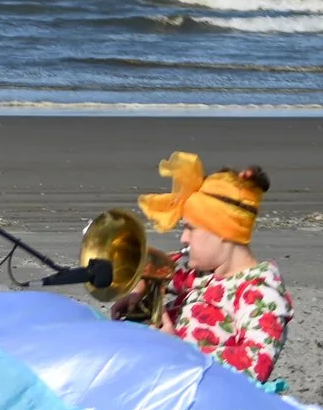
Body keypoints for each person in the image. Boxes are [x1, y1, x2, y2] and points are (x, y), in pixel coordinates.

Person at [123, 151, 291, 385]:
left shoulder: (262, 292)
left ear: (222, 232)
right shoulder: (202, 272)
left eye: (191, 228)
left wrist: (177, 348)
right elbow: (155, 269)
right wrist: (138, 291)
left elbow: (256, 365)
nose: (184, 238)